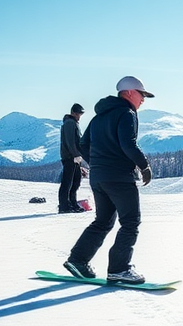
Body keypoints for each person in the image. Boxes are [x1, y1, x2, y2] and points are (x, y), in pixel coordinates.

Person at [64, 76, 154, 284]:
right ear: (130, 92)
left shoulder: (99, 117)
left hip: (99, 177)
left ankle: (78, 260)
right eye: (142, 95)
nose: (143, 100)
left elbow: (83, 145)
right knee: (130, 222)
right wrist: (144, 166)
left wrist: (98, 164)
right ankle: (119, 269)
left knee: (103, 221)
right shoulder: (127, 113)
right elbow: (128, 144)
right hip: (120, 178)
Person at [58, 102, 86, 213]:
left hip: (74, 157)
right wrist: (75, 155)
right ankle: (64, 206)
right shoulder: (70, 123)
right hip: (70, 157)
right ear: (73, 113)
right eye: (78, 113)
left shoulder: (73, 123)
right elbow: (70, 141)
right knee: (68, 182)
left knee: (75, 181)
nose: (79, 116)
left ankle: (72, 203)